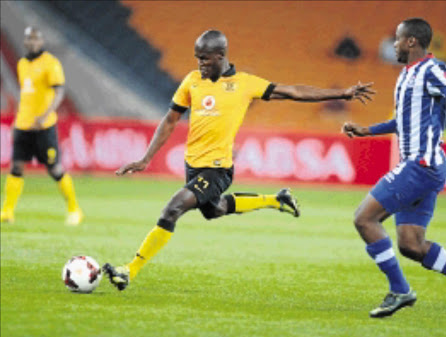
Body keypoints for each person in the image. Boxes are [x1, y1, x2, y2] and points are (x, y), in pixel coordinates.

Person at [103, 30, 375, 290]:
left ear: (220, 56)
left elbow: (293, 91)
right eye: (197, 58)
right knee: (215, 210)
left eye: (204, 59)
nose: (200, 64)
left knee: (172, 210)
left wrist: (341, 93)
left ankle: (129, 269)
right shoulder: (192, 81)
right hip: (193, 165)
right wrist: (145, 158)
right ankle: (276, 200)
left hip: (218, 169)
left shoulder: (245, 84)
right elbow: (170, 119)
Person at [342, 18, 446, 320]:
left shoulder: (433, 69)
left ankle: (400, 290)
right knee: (411, 245)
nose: (395, 44)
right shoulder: (406, 76)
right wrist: (366, 130)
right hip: (421, 167)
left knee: (364, 218)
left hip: (421, 165)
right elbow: (402, 122)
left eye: (398, 39)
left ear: (411, 41)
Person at [0, 27, 83, 226]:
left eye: (36, 39)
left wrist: (45, 115)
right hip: (23, 125)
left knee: (55, 169)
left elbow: (59, 92)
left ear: (41, 41)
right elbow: (26, 97)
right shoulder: (22, 64)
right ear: (25, 41)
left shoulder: (50, 63)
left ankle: (74, 209)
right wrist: (17, 121)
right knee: (16, 167)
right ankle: (7, 211)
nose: (32, 42)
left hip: (44, 126)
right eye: (29, 38)